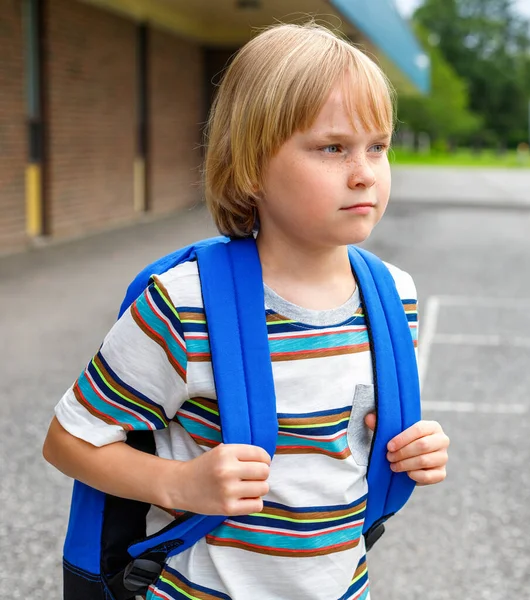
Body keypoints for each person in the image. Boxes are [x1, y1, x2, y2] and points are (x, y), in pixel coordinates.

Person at [43, 22, 449, 600]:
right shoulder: (186, 305)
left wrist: (415, 449)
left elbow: (350, 443)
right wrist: (180, 483)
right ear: (253, 164)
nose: (365, 172)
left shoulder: (393, 298)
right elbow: (69, 439)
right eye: (333, 147)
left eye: (377, 146)